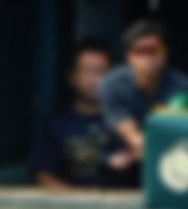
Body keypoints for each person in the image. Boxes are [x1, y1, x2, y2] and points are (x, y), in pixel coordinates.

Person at [32, 38, 134, 189]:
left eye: (101, 72)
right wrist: (75, 202)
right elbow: (44, 175)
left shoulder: (127, 122)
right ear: (73, 77)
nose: (94, 80)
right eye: (87, 72)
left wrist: (132, 156)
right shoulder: (56, 125)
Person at [98, 19, 188, 169]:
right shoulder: (111, 84)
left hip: (168, 156)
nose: (148, 58)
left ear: (165, 54)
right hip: (123, 156)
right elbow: (132, 136)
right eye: (141, 51)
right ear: (129, 56)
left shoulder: (183, 86)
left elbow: (179, 133)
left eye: (154, 51)